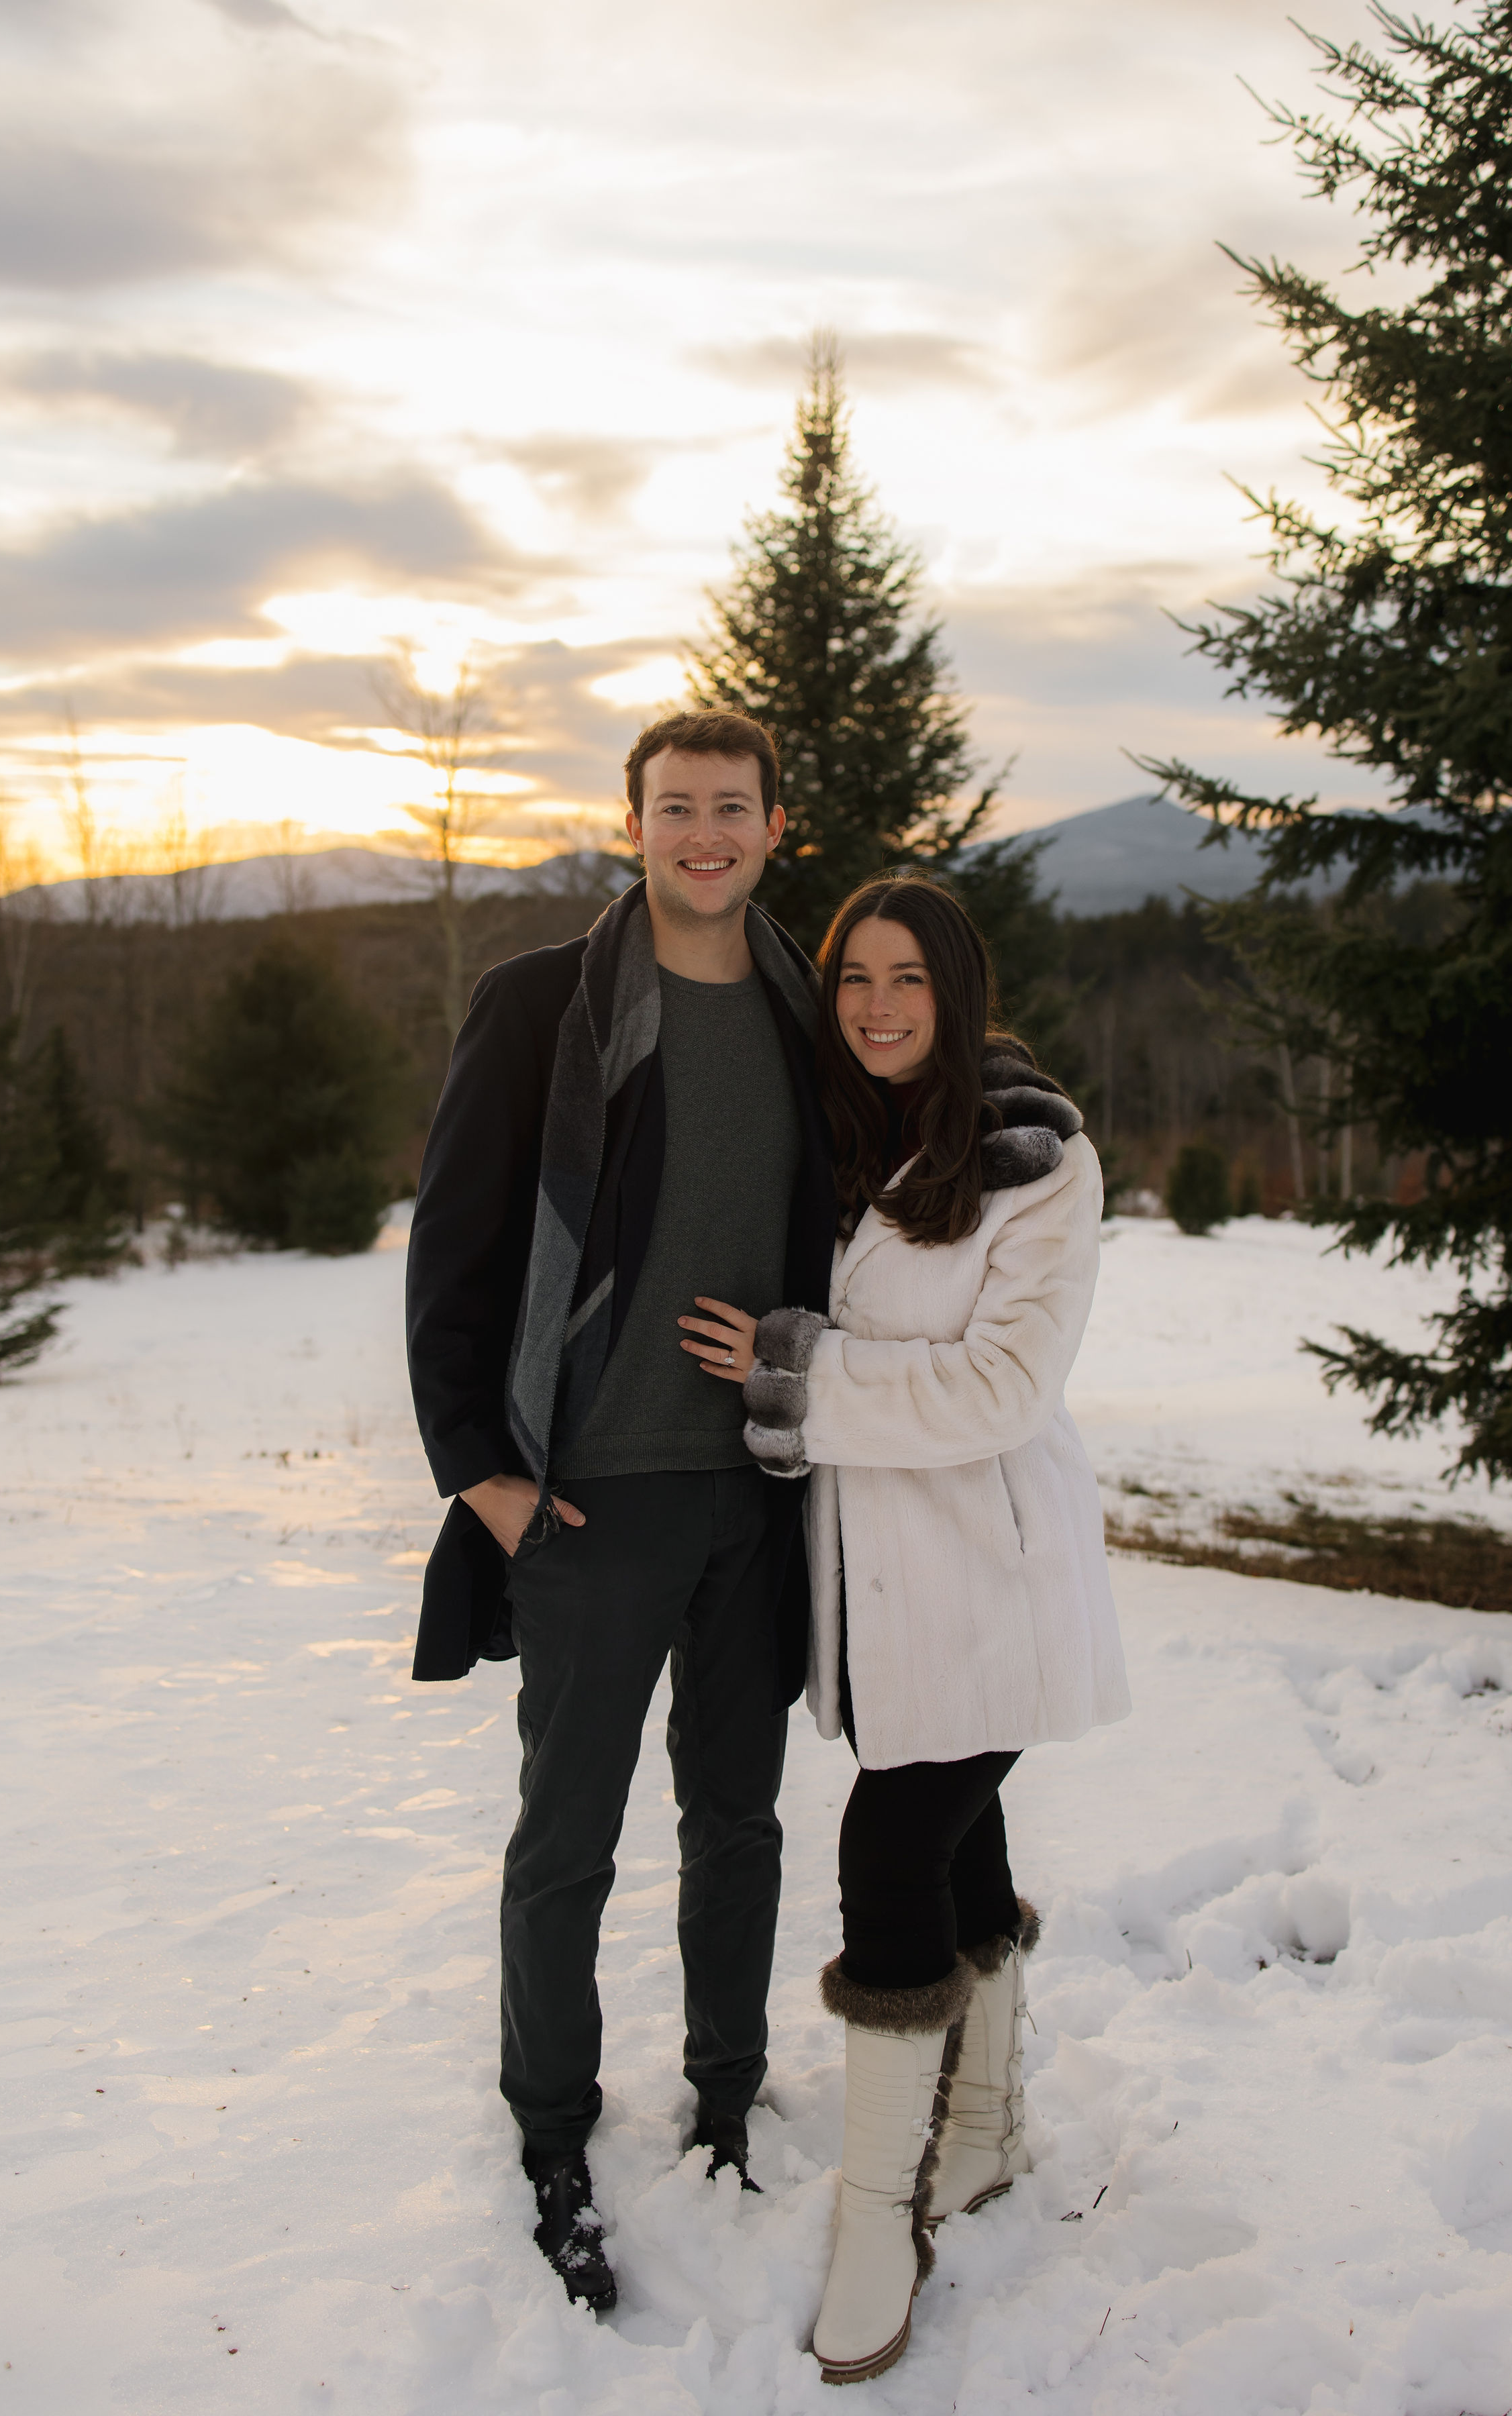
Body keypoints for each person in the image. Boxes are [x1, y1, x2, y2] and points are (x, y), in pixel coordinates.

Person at [403, 709, 835, 2312]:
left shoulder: (809, 1012)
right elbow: (451, 1253)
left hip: (755, 1496)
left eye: (734, 808)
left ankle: (728, 2098)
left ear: (777, 826)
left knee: (739, 1820)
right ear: (631, 823)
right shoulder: (541, 1008)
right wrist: (484, 1472)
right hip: (588, 1503)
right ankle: (552, 2129)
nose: (704, 834)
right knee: (566, 1842)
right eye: (676, 809)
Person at [693, 873, 1130, 2385]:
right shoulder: (824, 1145)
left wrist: (798, 1377)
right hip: (875, 1591)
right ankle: (991, 2122)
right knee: (961, 1844)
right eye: (855, 979)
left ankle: (880, 2215)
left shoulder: (1036, 1162)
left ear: (959, 994)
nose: (878, 1007)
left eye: (909, 982)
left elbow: (1004, 1388)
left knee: (888, 1852)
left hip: (992, 1578)